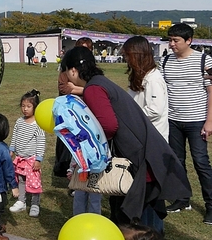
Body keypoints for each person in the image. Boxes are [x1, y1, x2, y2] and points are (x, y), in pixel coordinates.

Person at [60, 46, 191, 228]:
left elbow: (109, 126)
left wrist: (93, 147)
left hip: (138, 158)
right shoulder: (100, 82)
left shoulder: (94, 88)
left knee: (137, 220)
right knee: (147, 212)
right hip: (147, 151)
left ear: (73, 70)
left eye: (66, 71)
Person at [160, 23, 212, 224]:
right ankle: (182, 199)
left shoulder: (204, 60)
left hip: (197, 120)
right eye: (170, 40)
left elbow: (210, 92)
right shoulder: (165, 61)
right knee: (177, 161)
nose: (172, 44)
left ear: (189, 40)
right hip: (173, 120)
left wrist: (209, 121)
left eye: (176, 40)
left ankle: (210, 205)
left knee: (201, 163)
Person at [122, 36, 170, 232]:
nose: (125, 59)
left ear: (137, 55)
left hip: (154, 143)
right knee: (143, 191)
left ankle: (154, 231)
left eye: (127, 55)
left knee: (152, 194)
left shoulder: (154, 78)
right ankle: (145, 228)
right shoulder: (140, 77)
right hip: (141, 141)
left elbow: (155, 110)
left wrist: (130, 117)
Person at [53, 37, 93, 178]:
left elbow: (95, 89)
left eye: (87, 49)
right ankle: (65, 169)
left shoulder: (91, 71)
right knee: (67, 140)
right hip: (70, 110)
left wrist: (77, 88)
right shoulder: (67, 69)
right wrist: (83, 89)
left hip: (86, 111)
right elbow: (64, 88)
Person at [9, 89, 45, 218]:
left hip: (31, 159)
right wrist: (12, 149)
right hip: (20, 158)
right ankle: (21, 201)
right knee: (21, 180)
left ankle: (35, 204)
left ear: (35, 108)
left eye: (29, 106)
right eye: (23, 106)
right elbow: (15, 135)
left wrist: (38, 159)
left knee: (34, 182)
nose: (25, 109)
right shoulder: (19, 121)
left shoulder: (38, 124)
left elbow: (41, 142)